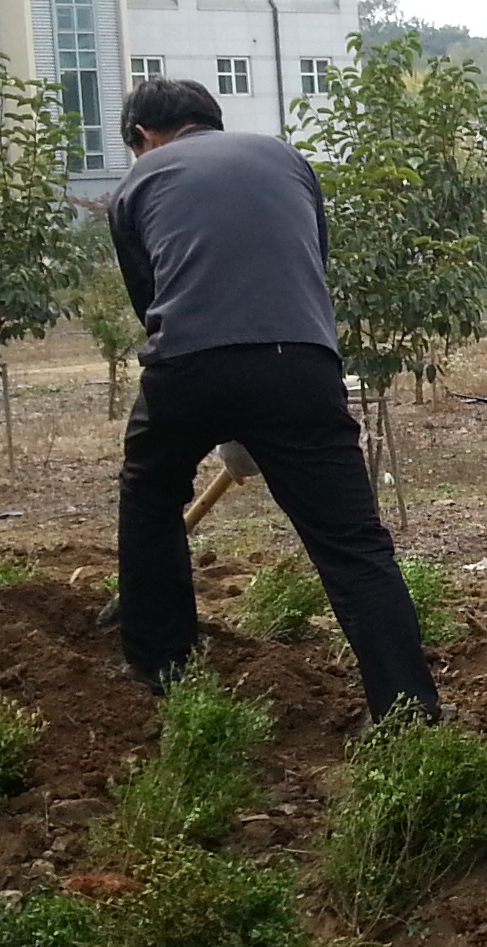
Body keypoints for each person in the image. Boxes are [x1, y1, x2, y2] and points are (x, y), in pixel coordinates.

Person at [105, 77, 438, 722]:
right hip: (301, 364)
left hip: (187, 364)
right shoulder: (288, 160)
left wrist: (220, 408)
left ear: (143, 136)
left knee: (149, 496)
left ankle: (162, 669)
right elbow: (306, 264)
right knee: (352, 542)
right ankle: (408, 710)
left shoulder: (138, 181)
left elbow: (150, 302)